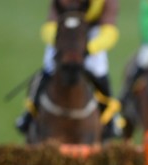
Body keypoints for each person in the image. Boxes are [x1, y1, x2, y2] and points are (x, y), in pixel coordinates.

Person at [16, 0, 123, 139]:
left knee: (99, 70)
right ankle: (29, 114)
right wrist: (62, 45)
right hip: (64, 32)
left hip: (92, 33)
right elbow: (49, 26)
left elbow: (110, 31)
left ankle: (111, 119)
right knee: (48, 68)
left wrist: (89, 48)